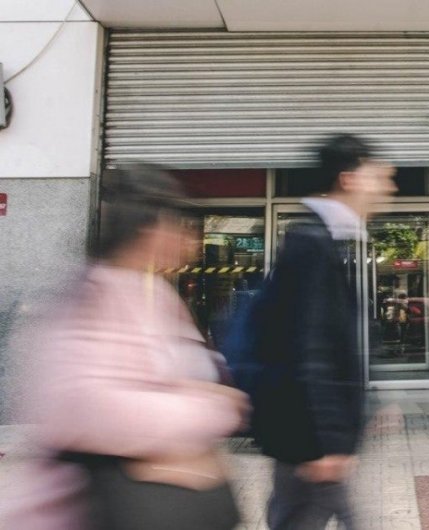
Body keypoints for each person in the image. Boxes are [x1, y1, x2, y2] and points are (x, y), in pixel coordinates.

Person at [5, 165, 247, 529]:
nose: (190, 241)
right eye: (179, 226)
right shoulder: (86, 295)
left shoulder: (159, 296)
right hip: (90, 511)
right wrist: (206, 408)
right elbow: (83, 406)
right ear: (148, 227)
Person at [253, 134, 396, 529]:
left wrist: (371, 403)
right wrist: (328, 442)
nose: (390, 186)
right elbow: (309, 349)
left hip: (313, 440)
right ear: (349, 180)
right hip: (311, 443)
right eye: (381, 176)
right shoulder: (312, 242)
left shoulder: (328, 240)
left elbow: (336, 339)